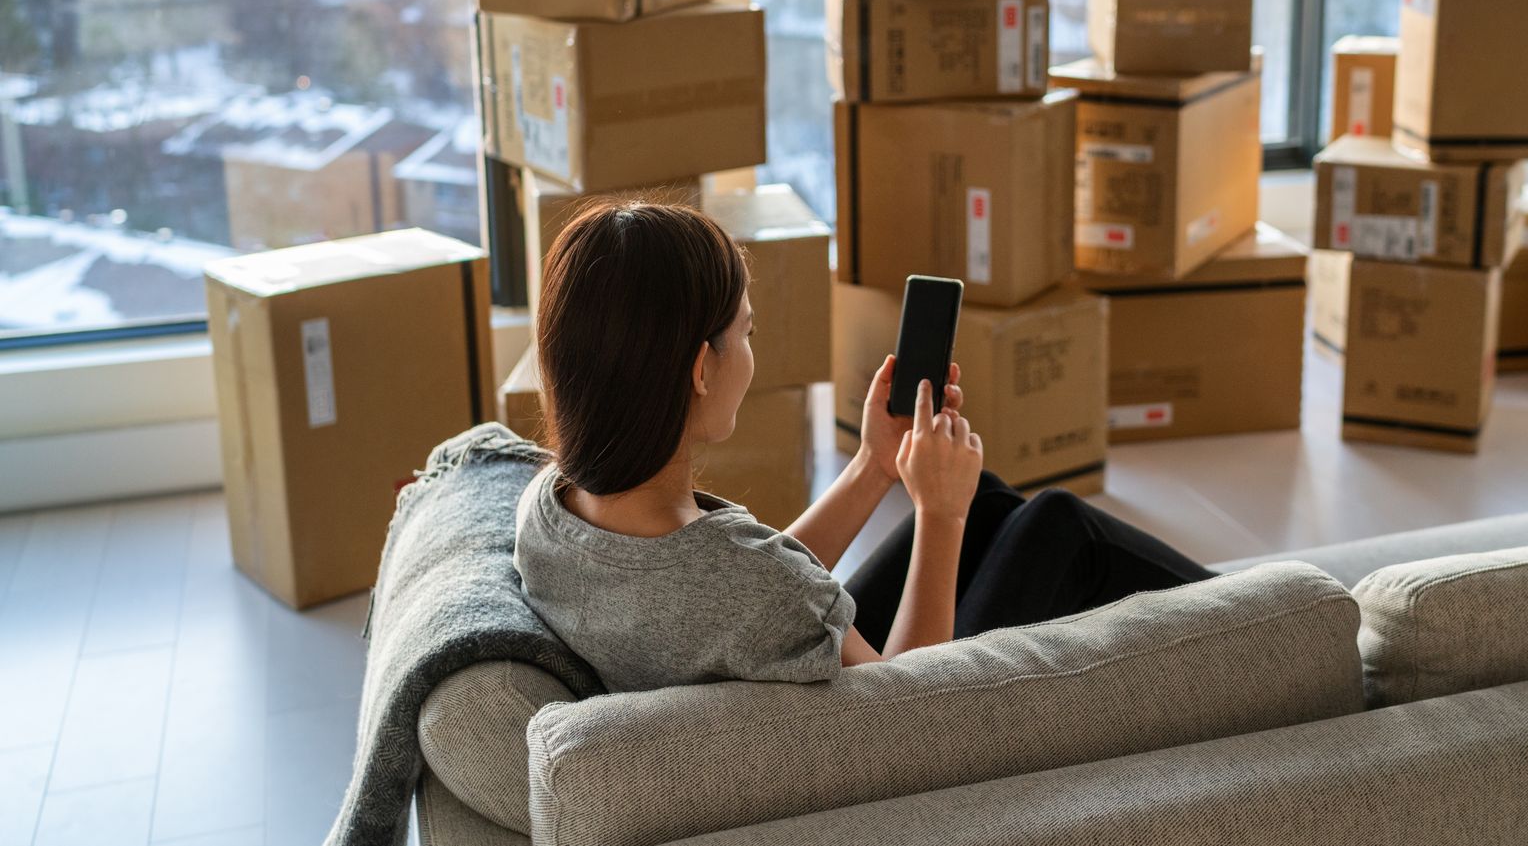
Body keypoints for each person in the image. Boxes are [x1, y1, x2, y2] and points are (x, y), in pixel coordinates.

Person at [512, 195, 1213, 693]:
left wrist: (876, 466)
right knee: (1059, 525)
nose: (752, 354)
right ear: (700, 368)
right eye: (747, 333)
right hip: (895, 725)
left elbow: (731, 588)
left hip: (752, 667)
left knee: (995, 503)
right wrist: (939, 515)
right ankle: (1273, 621)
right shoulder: (752, 587)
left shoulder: (549, 509)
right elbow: (908, 711)